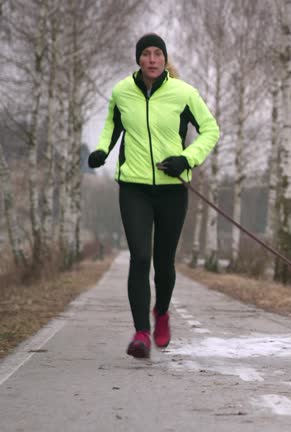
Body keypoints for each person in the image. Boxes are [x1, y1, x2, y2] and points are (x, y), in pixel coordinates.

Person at [88, 33, 219, 358]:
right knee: (140, 258)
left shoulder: (183, 93)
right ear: (138, 58)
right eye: (145, 53)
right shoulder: (122, 92)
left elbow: (211, 129)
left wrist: (187, 159)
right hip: (134, 187)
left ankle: (161, 314)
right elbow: (111, 127)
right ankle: (141, 334)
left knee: (163, 263)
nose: (151, 59)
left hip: (172, 189)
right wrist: (102, 151)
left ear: (164, 58)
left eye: (157, 53)